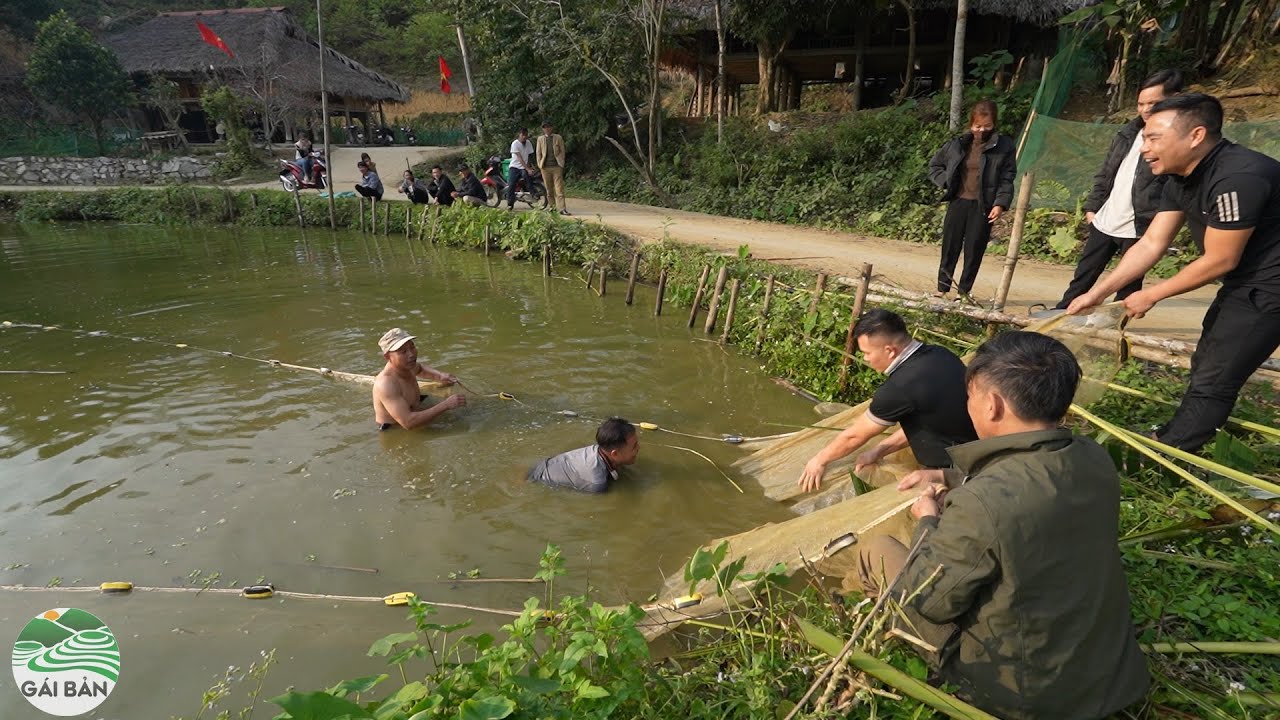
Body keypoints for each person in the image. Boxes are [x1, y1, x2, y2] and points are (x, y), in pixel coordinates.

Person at [857, 331, 1149, 720]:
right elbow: (1032, 485)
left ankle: (867, 624)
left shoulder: (983, 503)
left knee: (874, 551)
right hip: (1108, 678)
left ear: (992, 405)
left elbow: (931, 600)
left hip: (1018, 693)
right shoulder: (1093, 458)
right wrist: (950, 477)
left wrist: (928, 519)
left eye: (969, 398)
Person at [1068, 93, 1280, 451]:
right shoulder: (1178, 178)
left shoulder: (1238, 177)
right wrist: (1096, 293)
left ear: (1195, 136)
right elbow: (1152, 242)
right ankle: (1196, 431)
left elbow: (1220, 259)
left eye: (1153, 139)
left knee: (1216, 374)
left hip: (1269, 283)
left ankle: (1171, 451)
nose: (1144, 149)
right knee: (1209, 357)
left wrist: (1151, 294)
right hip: (1247, 279)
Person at [798, 309, 976, 492]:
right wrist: (879, 451)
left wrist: (820, 459)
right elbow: (929, 421)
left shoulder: (899, 387)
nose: (866, 359)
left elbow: (854, 436)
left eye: (867, 353)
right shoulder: (942, 354)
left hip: (957, 474)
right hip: (980, 451)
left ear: (890, 351)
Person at [1051, 70, 1184, 311]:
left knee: (1129, 286)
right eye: (1141, 103)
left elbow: (1173, 186)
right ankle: (1061, 317)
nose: (1145, 110)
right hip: (1107, 218)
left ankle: (1113, 332)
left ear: (1174, 98)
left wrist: (1154, 219)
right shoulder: (1127, 133)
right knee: (1083, 276)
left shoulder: (1176, 142)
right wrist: (1093, 206)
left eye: (1153, 103)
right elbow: (1107, 172)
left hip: (1140, 225)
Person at [927, 99, 1017, 300]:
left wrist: (1000, 203)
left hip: (983, 205)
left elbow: (1007, 177)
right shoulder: (957, 145)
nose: (981, 130)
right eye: (977, 126)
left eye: (987, 126)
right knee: (950, 246)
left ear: (994, 125)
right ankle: (942, 288)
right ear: (970, 124)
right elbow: (934, 166)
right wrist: (947, 183)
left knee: (974, 250)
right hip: (958, 201)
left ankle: (963, 292)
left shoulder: (1004, 147)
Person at [372, 328, 465, 431]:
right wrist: (446, 405)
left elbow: (420, 368)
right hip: (396, 429)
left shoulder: (408, 366)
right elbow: (408, 423)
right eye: (403, 352)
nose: (411, 354)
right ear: (387, 357)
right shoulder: (386, 383)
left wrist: (440, 376)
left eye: (412, 347)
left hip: (415, 410)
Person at [527, 417, 640, 492]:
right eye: (634, 446)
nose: (638, 448)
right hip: (538, 479)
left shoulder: (601, 450)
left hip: (545, 466)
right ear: (614, 454)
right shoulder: (597, 483)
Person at [537, 121, 569, 215]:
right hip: (545, 167)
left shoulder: (558, 138)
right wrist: (539, 164)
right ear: (543, 129)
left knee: (559, 189)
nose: (547, 129)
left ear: (552, 128)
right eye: (545, 127)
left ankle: (562, 208)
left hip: (556, 166)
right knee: (549, 189)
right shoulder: (540, 139)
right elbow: (538, 153)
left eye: (548, 127)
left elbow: (562, 151)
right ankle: (552, 207)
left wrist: (561, 162)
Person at [507, 128, 536, 211]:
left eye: (525, 135)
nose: (524, 137)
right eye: (522, 135)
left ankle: (533, 193)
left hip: (524, 167)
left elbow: (530, 156)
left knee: (528, 178)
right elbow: (519, 158)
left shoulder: (528, 143)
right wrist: (527, 169)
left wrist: (530, 166)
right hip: (515, 167)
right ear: (519, 135)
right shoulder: (515, 144)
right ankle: (510, 204)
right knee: (511, 184)